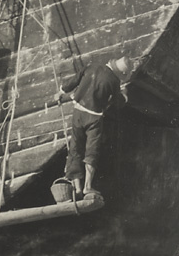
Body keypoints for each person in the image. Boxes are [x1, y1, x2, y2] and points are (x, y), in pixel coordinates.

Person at [55, 55, 134, 198]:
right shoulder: (114, 81)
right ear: (121, 73)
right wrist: (125, 94)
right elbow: (118, 103)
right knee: (92, 151)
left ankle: (77, 188)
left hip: (78, 112)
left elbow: (75, 79)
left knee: (75, 148)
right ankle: (87, 187)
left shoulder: (92, 66)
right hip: (94, 118)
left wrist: (61, 92)